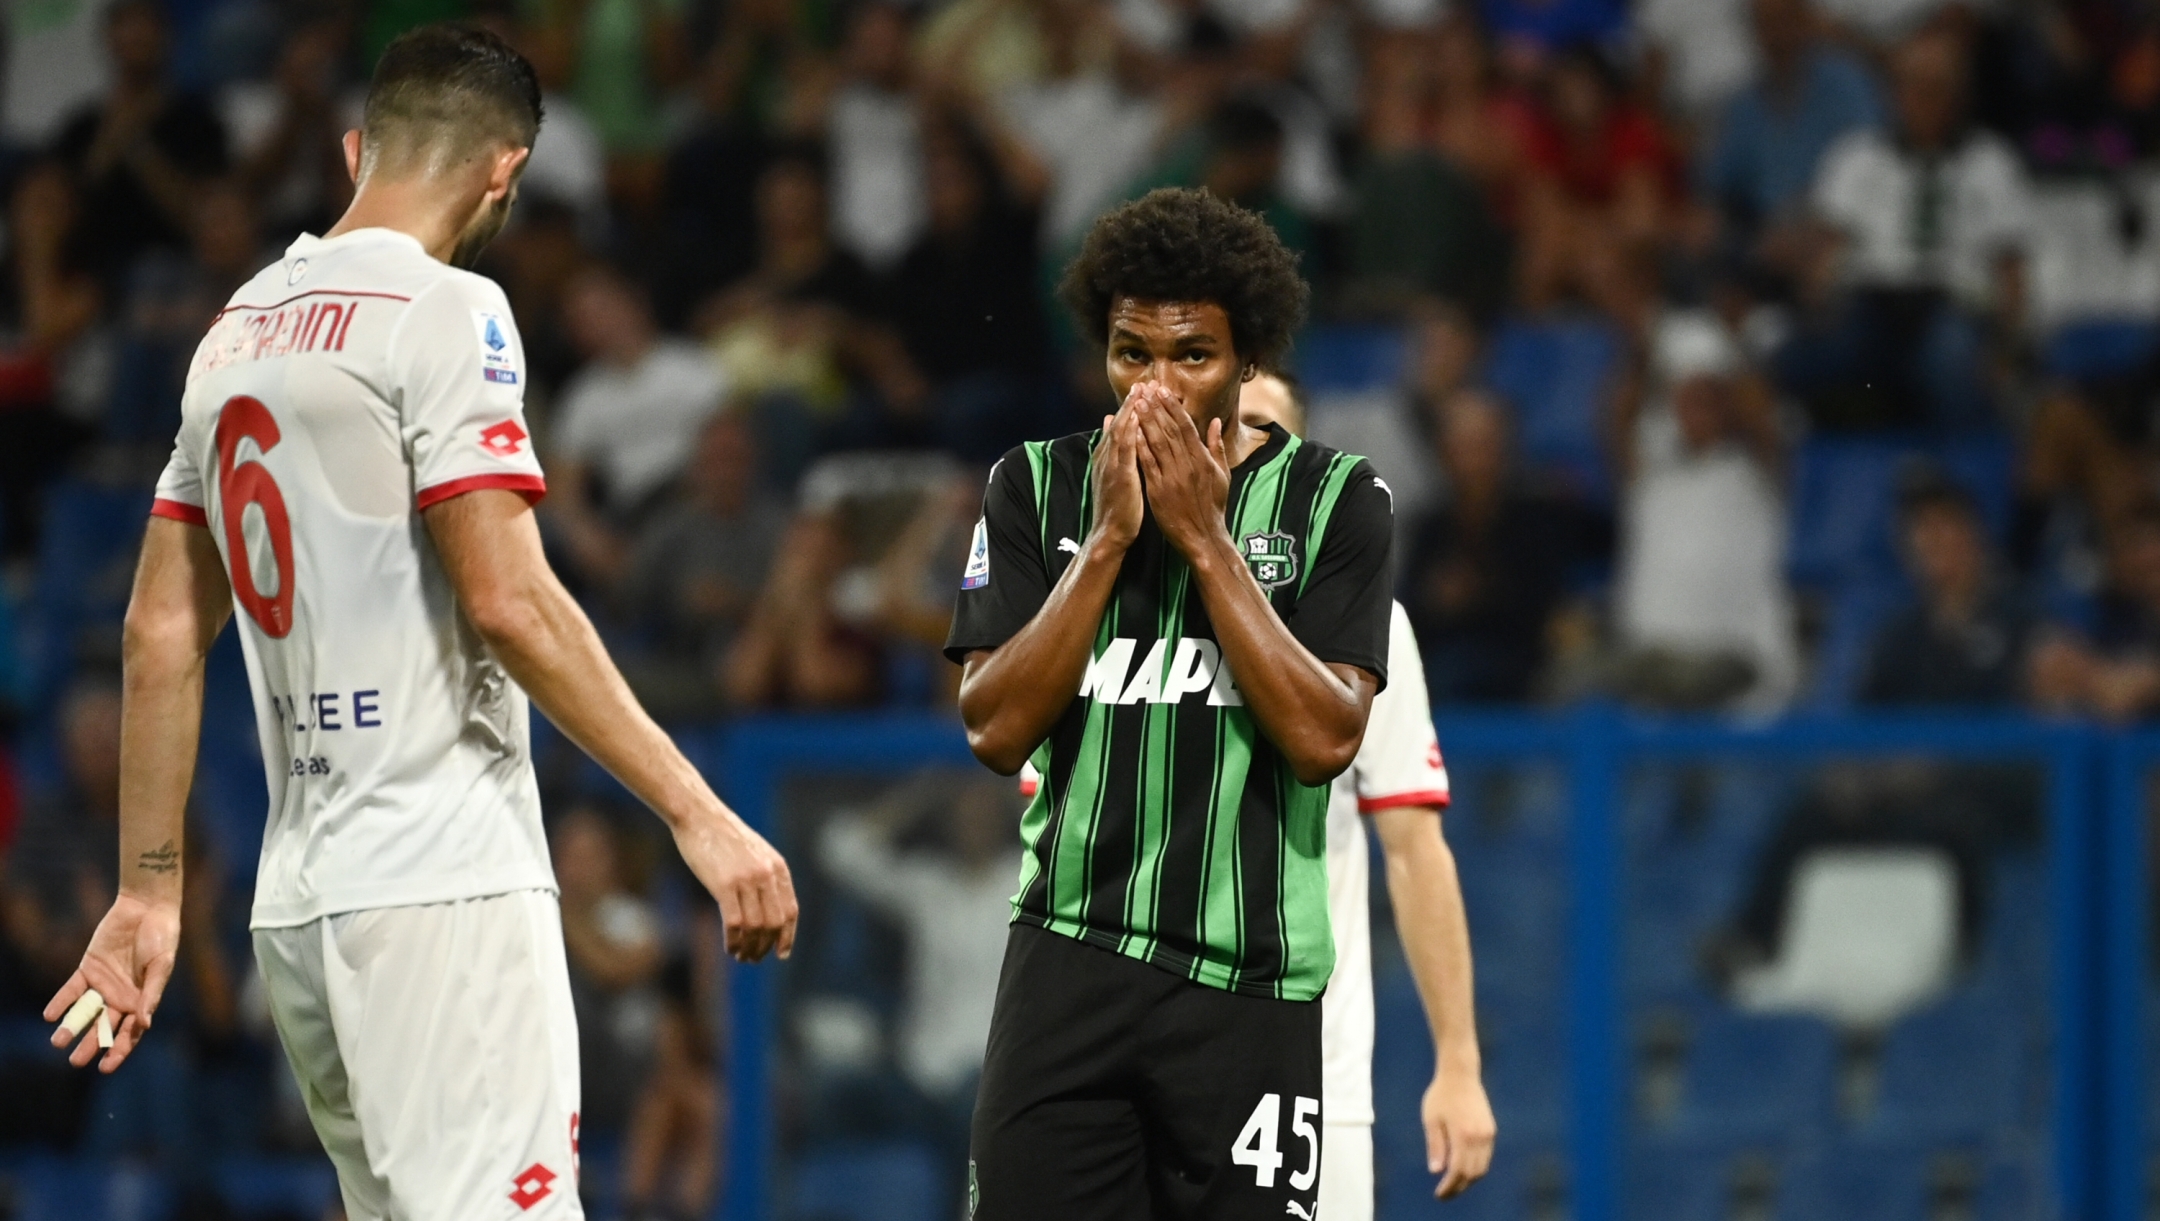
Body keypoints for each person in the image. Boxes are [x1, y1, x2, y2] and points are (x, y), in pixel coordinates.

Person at [42, 26, 796, 1221]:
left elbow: (159, 633)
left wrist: (147, 893)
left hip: (301, 905)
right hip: (442, 883)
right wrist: (698, 815)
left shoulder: (230, 332)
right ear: (506, 172)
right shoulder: (447, 309)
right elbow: (511, 599)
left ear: (355, 153)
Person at [947, 187, 1394, 1221]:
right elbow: (993, 726)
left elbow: (1327, 736)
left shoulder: (1338, 502)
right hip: (1069, 959)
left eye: (1190, 355)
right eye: (1130, 353)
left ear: (1247, 363)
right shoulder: (1035, 488)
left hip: (1249, 987)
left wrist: (1202, 539)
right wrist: (1106, 542)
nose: (1154, 386)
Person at [1238, 374, 1496, 1215]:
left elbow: (1416, 850)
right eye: (1227, 427)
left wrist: (1457, 1061)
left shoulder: (1365, 623)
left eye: (1266, 432)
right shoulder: (1113, 610)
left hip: (1316, 1073)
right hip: (1133, 1078)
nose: (1244, 451)